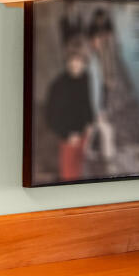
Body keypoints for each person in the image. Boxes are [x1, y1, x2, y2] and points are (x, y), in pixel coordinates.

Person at [41, 40, 98, 181]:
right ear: (67, 60)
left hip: (84, 134)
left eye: (80, 60)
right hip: (68, 140)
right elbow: (50, 116)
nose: (76, 64)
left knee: (79, 170)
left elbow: (86, 102)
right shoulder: (58, 85)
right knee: (68, 177)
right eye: (72, 59)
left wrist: (90, 123)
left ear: (85, 62)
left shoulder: (85, 77)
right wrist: (67, 135)